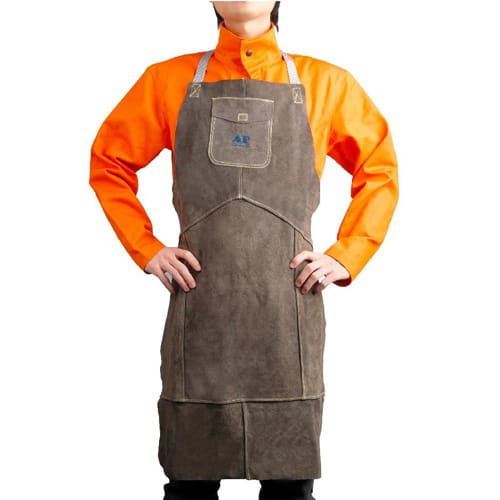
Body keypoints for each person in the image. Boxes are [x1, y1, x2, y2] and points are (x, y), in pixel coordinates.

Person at [89, 2, 398, 499]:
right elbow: (109, 163)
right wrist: (146, 248)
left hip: (285, 315)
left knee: (289, 486)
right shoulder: (166, 81)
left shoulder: (326, 83)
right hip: (201, 313)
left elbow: (379, 170)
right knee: (189, 484)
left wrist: (347, 253)